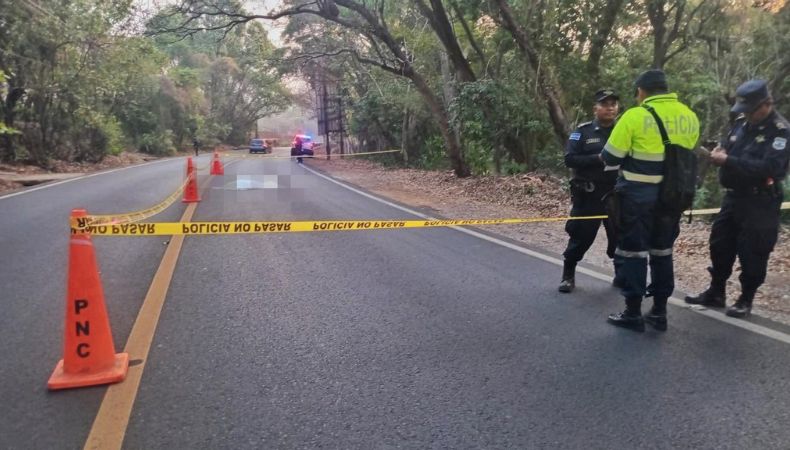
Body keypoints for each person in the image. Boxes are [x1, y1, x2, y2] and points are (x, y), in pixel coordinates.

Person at [600, 69, 700, 332]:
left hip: (638, 197)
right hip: (673, 198)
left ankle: (633, 312)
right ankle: (659, 311)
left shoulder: (636, 115)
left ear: (641, 92)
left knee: (634, 252)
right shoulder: (689, 116)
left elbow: (609, 157)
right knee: (663, 251)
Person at [685, 80, 789, 318]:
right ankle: (716, 290)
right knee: (720, 244)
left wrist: (728, 161)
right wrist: (720, 152)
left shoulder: (780, 131)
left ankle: (746, 298)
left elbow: (770, 168)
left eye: (749, 110)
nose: (746, 115)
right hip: (733, 198)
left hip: (760, 201)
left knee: (753, 251)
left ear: (766, 104)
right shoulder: (741, 125)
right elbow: (727, 145)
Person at [558, 89, 620, 293]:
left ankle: (622, 276)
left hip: (617, 194)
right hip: (589, 194)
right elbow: (569, 159)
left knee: (620, 237)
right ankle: (568, 275)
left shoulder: (623, 131)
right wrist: (597, 159)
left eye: (613, 104)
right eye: (605, 104)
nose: (610, 107)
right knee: (581, 235)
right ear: (596, 108)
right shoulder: (583, 132)